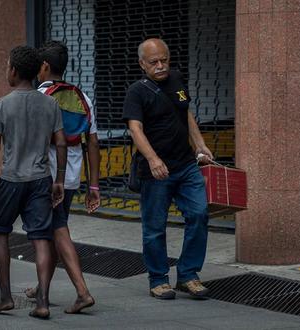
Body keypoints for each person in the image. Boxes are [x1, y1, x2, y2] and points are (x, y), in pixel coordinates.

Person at [122, 39, 213, 300]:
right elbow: (135, 129)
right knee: (154, 226)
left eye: (164, 60)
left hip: (186, 165)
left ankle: (188, 275)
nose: (161, 66)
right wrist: (152, 159)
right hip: (156, 171)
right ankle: (158, 279)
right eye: (154, 62)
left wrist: (200, 145)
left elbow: (186, 114)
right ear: (142, 64)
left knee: (199, 214)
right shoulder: (136, 92)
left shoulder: (176, 79)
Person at [0, 45, 67, 319]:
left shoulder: (0, 105)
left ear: (14, 71)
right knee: (42, 238)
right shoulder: (50, 103)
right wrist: (60, 180)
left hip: (11, 178)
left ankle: (6, 296)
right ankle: (42, 301)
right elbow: (61, 143)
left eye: (7, 66)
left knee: (0, 232)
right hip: (41, 179)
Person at [23, 40, 99, 314]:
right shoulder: (82, 97)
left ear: (43, 67)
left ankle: (82, 291)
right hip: (71, 179)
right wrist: (94, 184)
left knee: (57, 230)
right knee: (57, 228)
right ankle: (41, 288)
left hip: (48, 178)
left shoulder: (38, 97)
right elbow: (92, 143)